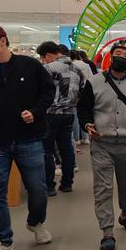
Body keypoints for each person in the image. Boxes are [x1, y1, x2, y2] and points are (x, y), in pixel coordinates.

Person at [0, 23, 55, 250]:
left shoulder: (30, 65)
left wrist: (35, 111)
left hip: (29, 138)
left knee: (38, 189)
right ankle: (3, 241)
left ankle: (36, 222)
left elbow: (48, 93)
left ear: (3, 41)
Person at [77, 41, 126, 250]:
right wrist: (86, 123)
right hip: (102, 143)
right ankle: (107, 232)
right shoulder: (94, 81)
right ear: (111, 56)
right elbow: (83, 108)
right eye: (118, 53)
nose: (122, 57)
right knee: (103, 187)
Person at [37, 41, 87, 196]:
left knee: (47, 149)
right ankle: (67, 183)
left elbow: (39, 90)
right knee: (66, 149)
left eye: (43, 57)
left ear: (48, 55)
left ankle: (50, 186)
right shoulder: (78, 69)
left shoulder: (48, 68)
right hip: (69, 114)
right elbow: (82, 91)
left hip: (50, 113)